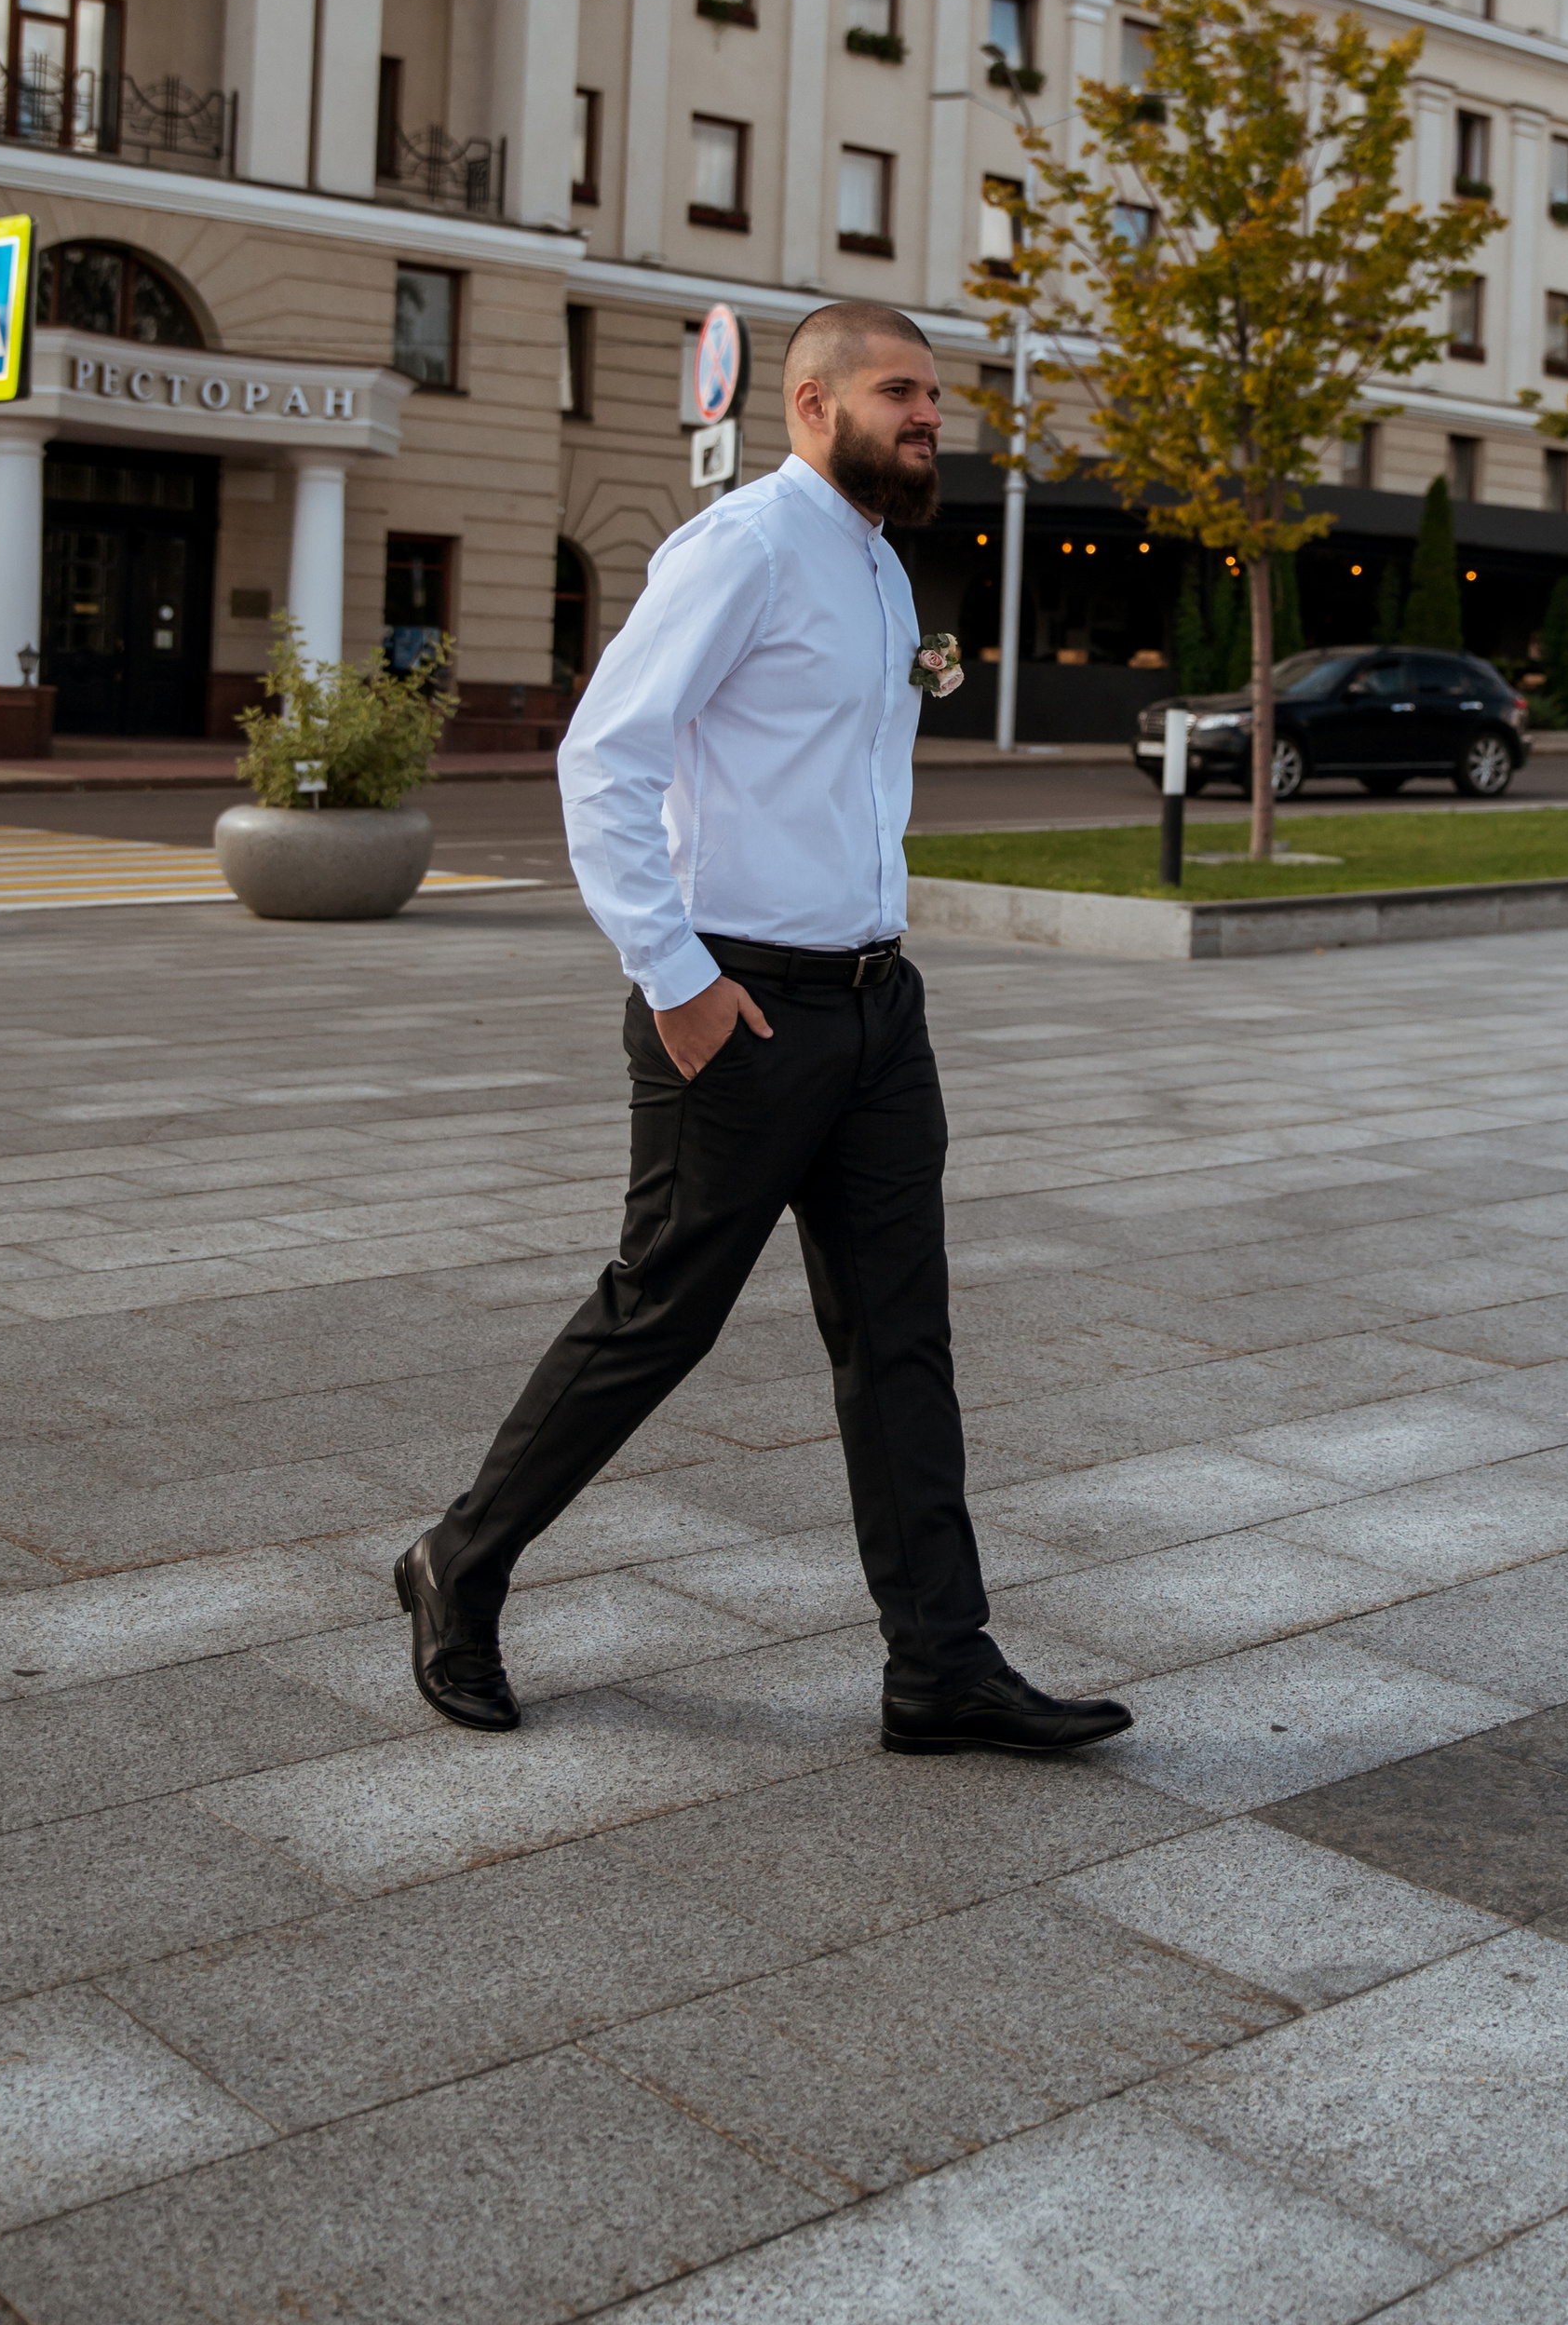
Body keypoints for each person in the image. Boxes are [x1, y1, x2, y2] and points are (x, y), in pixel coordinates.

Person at [397, 302, 1132, 1762]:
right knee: (658, 1318)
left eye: (937, 394)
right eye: (901, 391)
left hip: (874, 1008)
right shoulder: (738, 547)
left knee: (900, 1342)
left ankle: (940, 1663)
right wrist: (672, 974)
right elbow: (604, 756)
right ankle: (456, 1566)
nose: (934, 415)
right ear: (810, 404)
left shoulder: (877, 564)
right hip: (737, 1004)